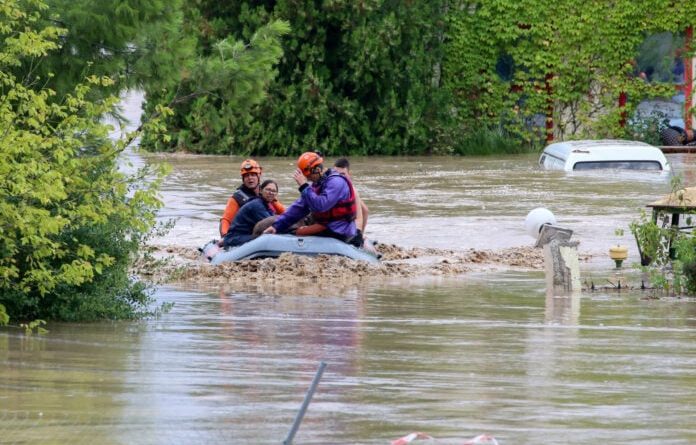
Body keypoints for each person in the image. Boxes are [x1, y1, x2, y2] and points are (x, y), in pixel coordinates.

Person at [263, 151, 359, 245]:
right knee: (288, 230)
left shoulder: (336, 182)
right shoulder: (316, 185)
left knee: (295, 233)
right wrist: (276, 226)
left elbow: (321, 205)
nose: (308, 179)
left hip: (339, 230)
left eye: (309, 176)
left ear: (317, 169)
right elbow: (299, 207)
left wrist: (304, 186)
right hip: (327, 226)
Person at [218, 159, 284, 238]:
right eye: (246, 175)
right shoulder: (237, 198)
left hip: (263, 230)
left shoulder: (267, 193)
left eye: (253, 175)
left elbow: (283, 212)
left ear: (258, 176)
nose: (250, 178)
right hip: (245, 235)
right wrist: (224, 237)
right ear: (243, 178)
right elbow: (226, 220)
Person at [222, 180, 283, 247]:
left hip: (246, 235)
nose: (271, 193)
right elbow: (272, 224)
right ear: (261, 191)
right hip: (234, 238)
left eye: (274, 191)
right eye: (268, 189)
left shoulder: (266, 205)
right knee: (265, 238)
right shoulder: (257, 205)